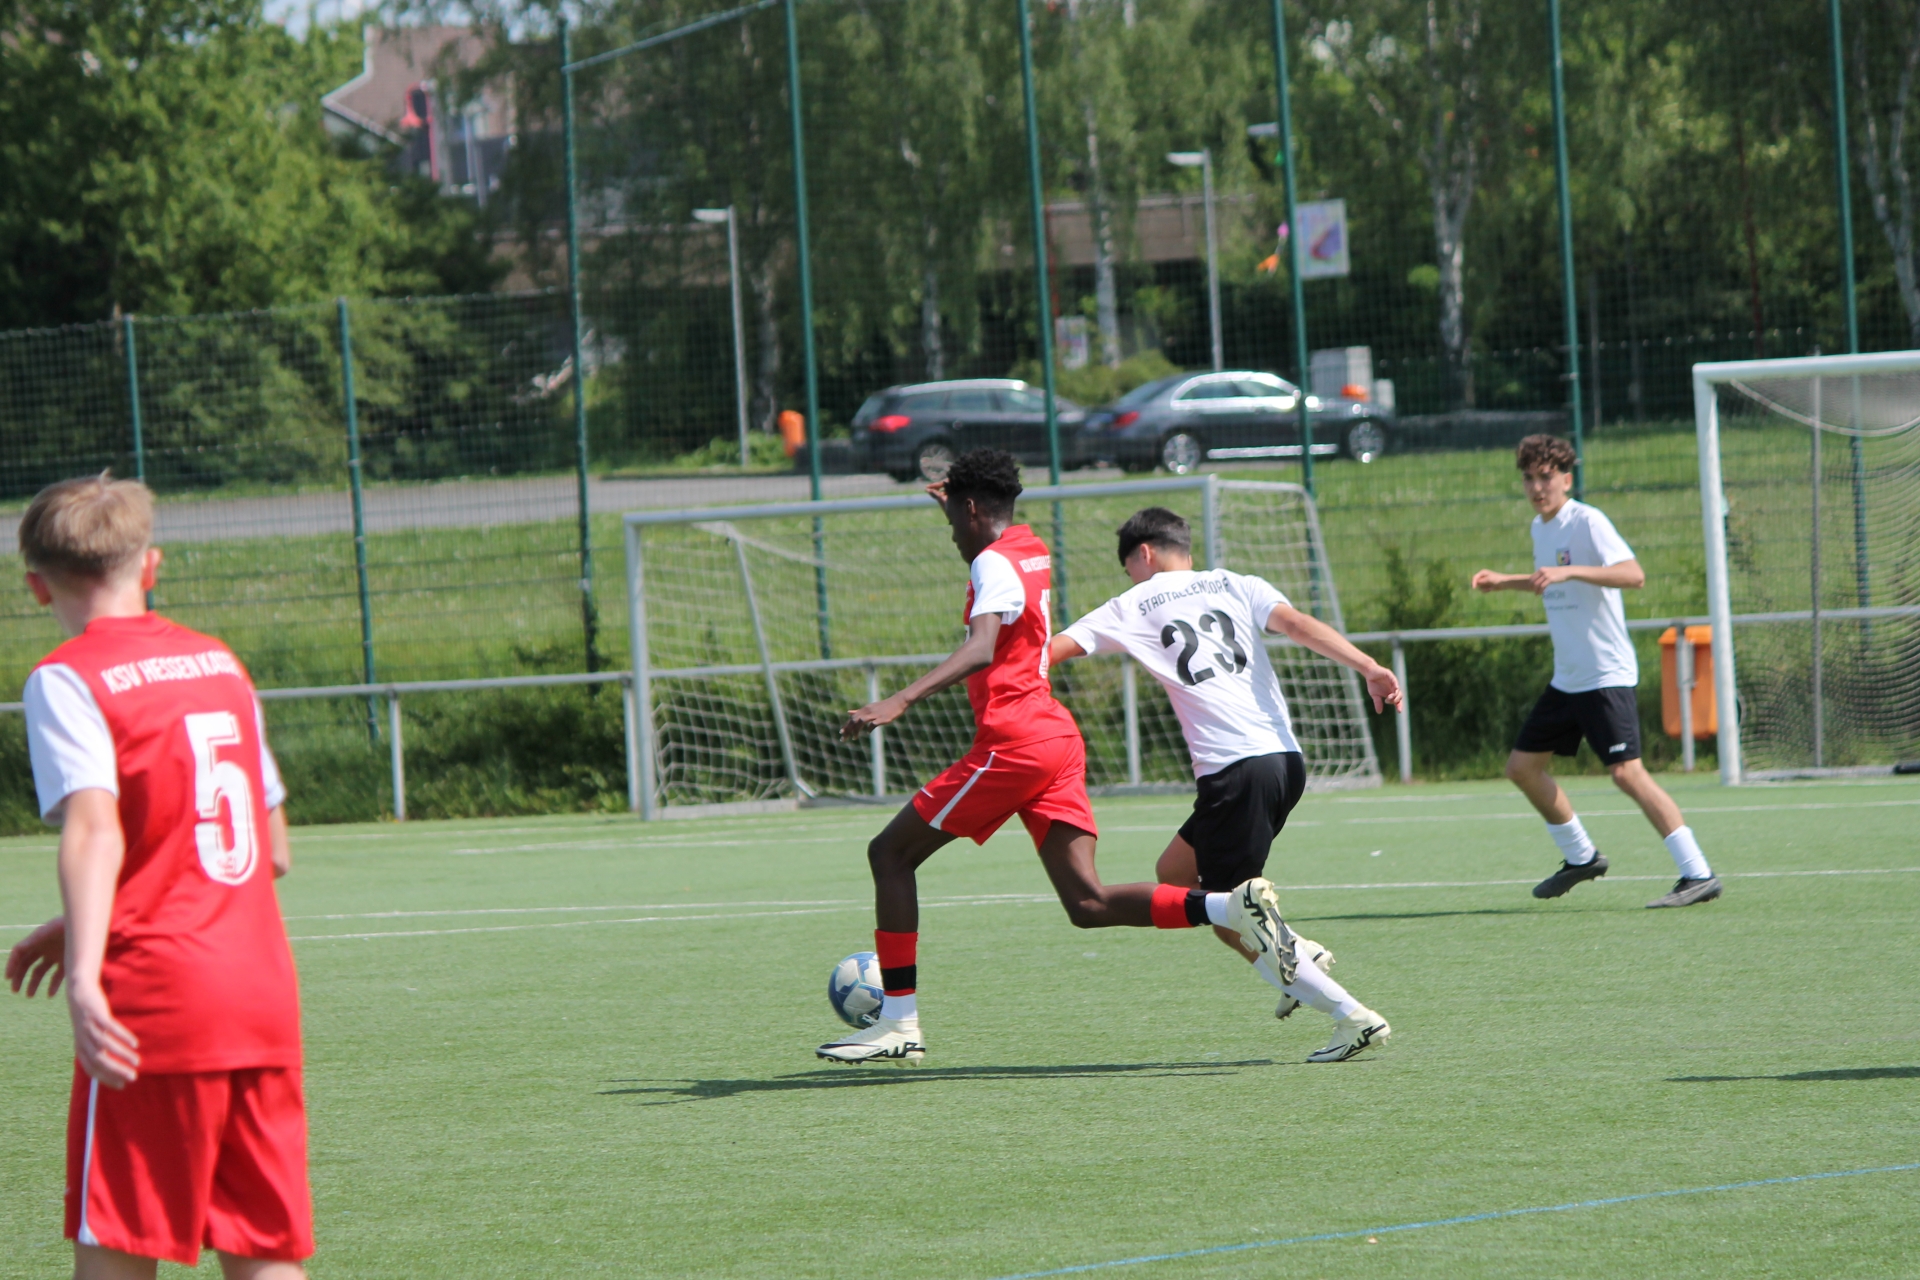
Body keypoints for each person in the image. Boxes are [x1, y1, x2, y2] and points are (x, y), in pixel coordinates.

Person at [817, 451, 1293, 1064]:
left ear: (970, 509)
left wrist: (900, 698)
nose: (954, 533)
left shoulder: (992, 561)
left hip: (1014, 742)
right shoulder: (1028, 547)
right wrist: (959, 509)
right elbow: (991, 561)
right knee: (1087, 904)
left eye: (955, 519)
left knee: (889, 854)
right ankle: (1229, 905)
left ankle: (898, 1022)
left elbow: (982, 646)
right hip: (1055, 738)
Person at [4, 474, 312, 1279]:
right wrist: (91, 916)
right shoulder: (220, 664)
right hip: (261, 997)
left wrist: (84, 975)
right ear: (151, 566)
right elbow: (270, 850)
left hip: (157, 1001)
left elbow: (94, 826)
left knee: (117, 1247)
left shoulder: (67, 677)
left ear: (37, 587)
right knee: (264, 1253)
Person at [1049, 507, 1400, 1063]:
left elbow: (1052, 652)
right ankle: (1293, 957)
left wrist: (998, 670)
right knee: (1175, 874)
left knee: (1230, 914)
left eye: (1129, 567)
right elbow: (1298, 625)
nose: (1131, 578)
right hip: (1284, 762)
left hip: (1233, 772)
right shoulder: (1237, 583)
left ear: (1144, 554)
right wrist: (1368, 667)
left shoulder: (1133, 603)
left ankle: (1350, 1016)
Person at [1472, 434, 1722, 908]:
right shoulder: (1540, 528)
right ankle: (1581, 857)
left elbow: (1633, 574)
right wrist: (1505, 582)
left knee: (1627, 774)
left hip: (1605, 675)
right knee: (1522, 768)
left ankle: (1698, 872)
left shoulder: (1587, 520)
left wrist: (1570, 571)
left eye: (1546, 477)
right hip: (1568, 678)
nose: (1537, 487)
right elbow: (1551, 580)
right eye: (1529, 478)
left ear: (1566, 479)